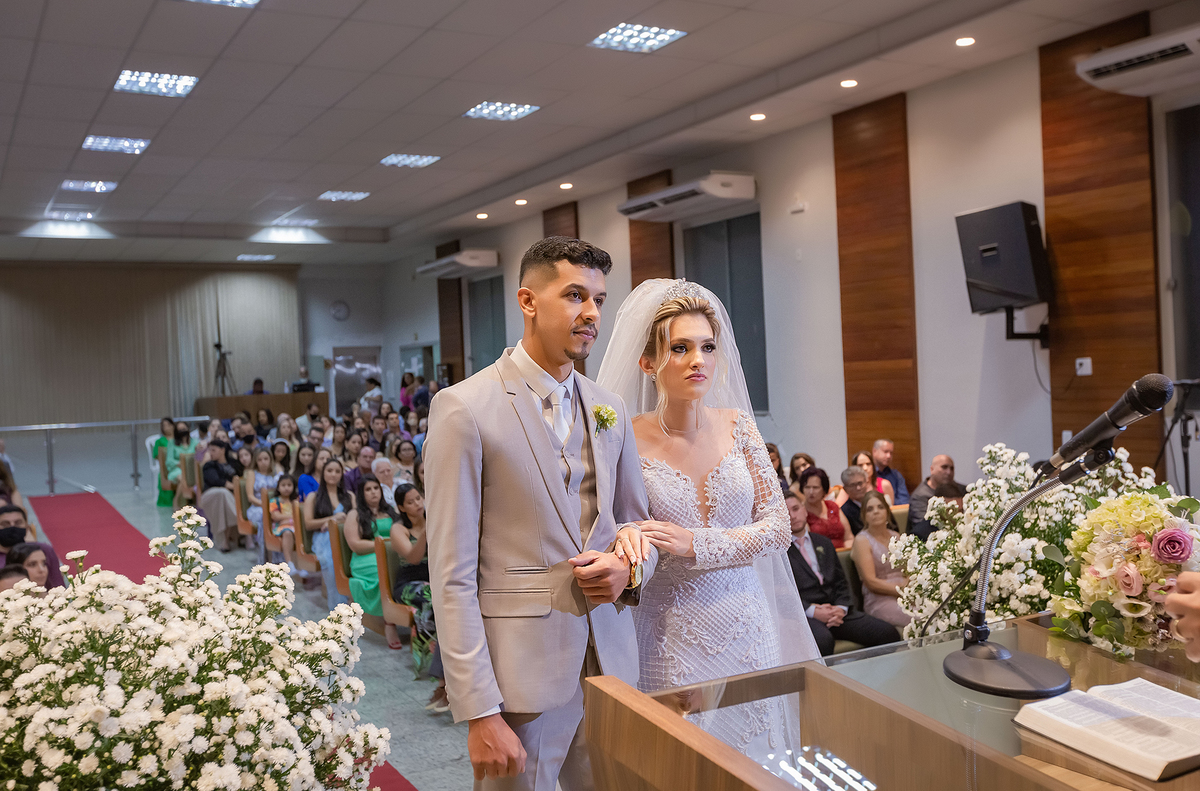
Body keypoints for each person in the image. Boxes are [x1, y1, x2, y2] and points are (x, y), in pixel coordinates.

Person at [425, 236, 657, 789]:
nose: (592, 313)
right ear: (528, 301)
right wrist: (478, 709)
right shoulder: (464, 408)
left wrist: (628, 570)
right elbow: (452, 574)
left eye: (599, 299)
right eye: (575, 295)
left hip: (610, 662)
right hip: (519, 678)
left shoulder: (609, 407)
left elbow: (634, 524)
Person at [596, 277, 818, 763]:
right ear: (648, 362)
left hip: (747, 625)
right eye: (680, 348)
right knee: (682, 765)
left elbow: (778, 527)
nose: (698, 360)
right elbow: (617, 528)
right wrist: (631, 539)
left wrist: (696, 542)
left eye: (707, 347)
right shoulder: (623, 438)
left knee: (758, 761)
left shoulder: (740, 426)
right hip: (669, 632)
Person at [784, 491, 899, 656]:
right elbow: (782, 593)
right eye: (786, 512)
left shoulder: (823, 542)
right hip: (807, 615)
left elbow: (841, 582)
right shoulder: (779, 553)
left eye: (795, 509)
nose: (792, 516)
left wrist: (841, 608)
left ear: (804, 510)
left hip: (837, 610)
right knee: (823, 641)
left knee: (887, 633)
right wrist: (812, 610)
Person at [344, 474, 401, 627]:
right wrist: (383, 546)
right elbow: (355, 544)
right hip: (365, 558)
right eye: (368, 489)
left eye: (376, 488)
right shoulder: (354, 514)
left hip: (393, 554)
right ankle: (389, 622)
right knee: (384, 571)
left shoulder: (391, 511)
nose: (373, 492)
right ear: (361, 493)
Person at [851, 491, 911, 629]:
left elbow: (909, 570)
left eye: (880, 507)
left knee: (934, 609)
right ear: (864, 515)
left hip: (906, 593)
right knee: (918, 616)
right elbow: (871, 582)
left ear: (887, 512)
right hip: (879, 599)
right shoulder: (862, 541)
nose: (876, 512)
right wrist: (901, 591)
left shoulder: (896, 536)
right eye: (870, 509)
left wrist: (910, 589)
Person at [304, 458, 353, 611]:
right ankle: (338, 607)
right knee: (332, 558)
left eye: (337, 471)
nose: (333, 474)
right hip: (323, 538)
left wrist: (343, 520)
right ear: (323, 473)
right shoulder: (313, 496)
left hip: (347, 536)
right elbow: (308, 523)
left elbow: (357, 518)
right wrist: (331, 520)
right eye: (329, 470)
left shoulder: (350, 496)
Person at [908, 454, 967, 532]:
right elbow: (923, 528)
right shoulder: (920, 496)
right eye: (944, 467)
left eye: (952, 468)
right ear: (932, 469)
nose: (949, 472)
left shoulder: (961, 489)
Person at [797, 467, 853, 548]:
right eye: (807, 487)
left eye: (815, 487)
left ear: (824, 489)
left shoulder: (832, 506)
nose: (811, 492)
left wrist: (846, 552)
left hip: (843, 552)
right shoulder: (800, 512)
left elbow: (849, 538)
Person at [200, 440, 239, 553]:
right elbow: (215, 480)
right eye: (209, 450)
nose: (210, 453)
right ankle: (237, 516)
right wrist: (232, 486)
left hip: (228, 497)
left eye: (213, 450)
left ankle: (224, 540)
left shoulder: (233, 463)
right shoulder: (209, 465)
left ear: (222, 450)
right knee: (222, 493)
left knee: (224, 500)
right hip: (211, 495)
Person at [268, 474, 302, 574]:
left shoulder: (296, 500)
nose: (286, 488)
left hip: (296, 525)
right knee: (287, 533)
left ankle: (302, 564)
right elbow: (276, 516)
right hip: (280, 527)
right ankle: (289, 563)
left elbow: (300, 515)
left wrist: (287, 520)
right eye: (283, 485)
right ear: (278, 487)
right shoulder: (275, 501)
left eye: (289, 485)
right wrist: (291, 519)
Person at [245, 447, 281, 539]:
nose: (263, 462)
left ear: (270, 459)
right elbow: (250, 497)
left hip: (275, 505)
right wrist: (265, 505)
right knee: (263, 514)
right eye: (260, 460)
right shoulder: (252, 473)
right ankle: (263, 544)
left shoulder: (275, 472)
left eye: (266, 459)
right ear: (256, 461)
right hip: (258, 506)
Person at [165, 420, 198, 503]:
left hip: (192, 470)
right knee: (183, 478)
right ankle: (178, 501)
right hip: (177, 470)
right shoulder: (172, 443)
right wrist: (180, 463)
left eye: (184, 429)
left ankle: (191, 501)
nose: (182, 431)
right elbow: (169, 461)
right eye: (179, 430)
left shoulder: (195, 442)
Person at [872, 439, 909, 505]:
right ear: (874, 451)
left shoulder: (896, 475)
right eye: (885, 452)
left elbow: (904, 500)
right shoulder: (869, 474)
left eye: (891, 453)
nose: (889, 456)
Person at [838, 466, 870, 534]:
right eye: (853, 485)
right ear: (845, 489)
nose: (858, 488)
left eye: (860, 483)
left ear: (867, 483)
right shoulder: (844, 512)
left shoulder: (878, 503)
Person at [153, 417, 176, 506]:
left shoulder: (178, 440)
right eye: (164, 426)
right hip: (167, 466)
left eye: (169, 425)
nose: (167, 428)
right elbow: (158, 456)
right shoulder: (160, 441)